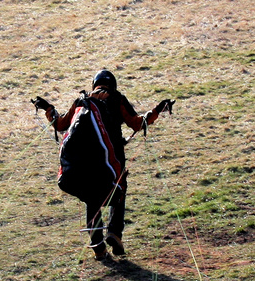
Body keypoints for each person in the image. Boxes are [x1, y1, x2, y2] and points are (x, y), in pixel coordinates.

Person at [32, 69, 173, 262]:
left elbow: (61, 124)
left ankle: (98, 247)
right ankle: (115, 233)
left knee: (93, 199)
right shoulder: (117, 99)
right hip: (111, 160)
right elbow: (137, 124)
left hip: (82, 164)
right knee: (119, 190)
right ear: (113, 85)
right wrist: (157, 110)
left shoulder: (82, 101)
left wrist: (48, 108)